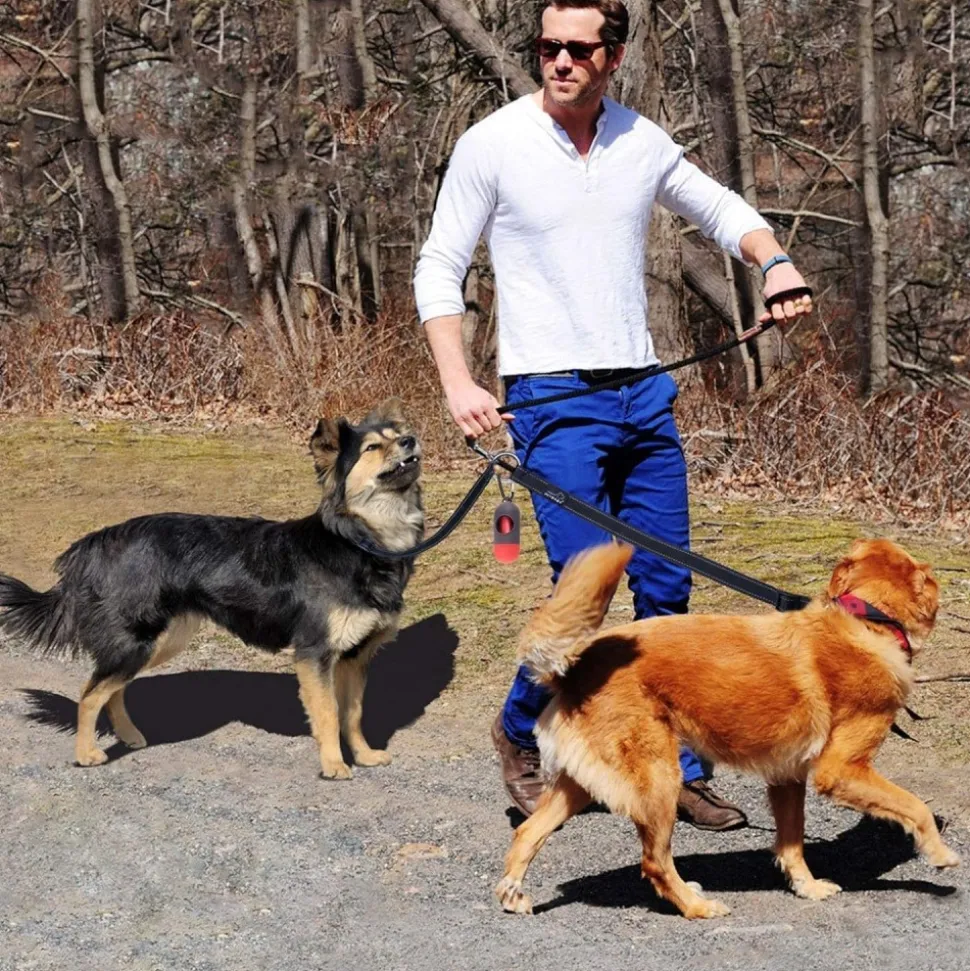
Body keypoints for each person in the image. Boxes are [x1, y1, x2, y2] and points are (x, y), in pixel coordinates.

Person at [413, 0, 813, 829]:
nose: (560, 61)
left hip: (644, 393)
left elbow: (723, 210)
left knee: (667, 590)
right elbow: (439, 265)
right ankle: (520, 728)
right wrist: (458, 381)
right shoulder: (494, 143)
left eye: (578, 48)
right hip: (553, 399)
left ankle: (679, 765)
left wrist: (774, 262)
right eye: (547, 46)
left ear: (614, 56)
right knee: (584, 592)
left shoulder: (640, 140)